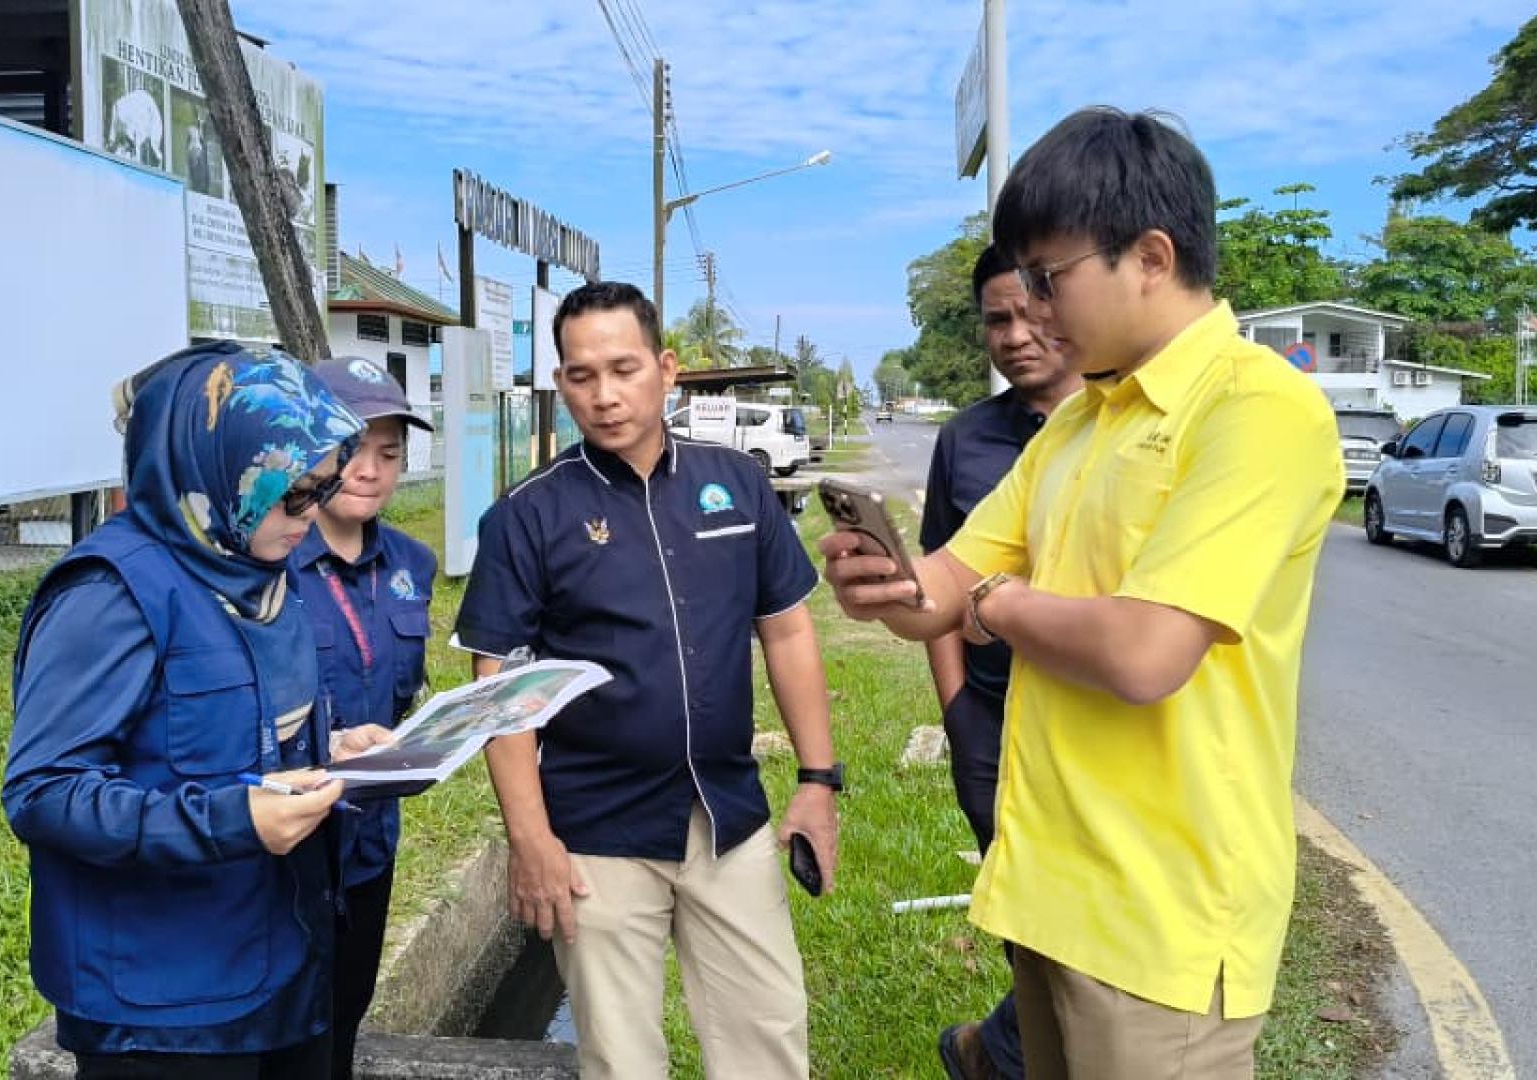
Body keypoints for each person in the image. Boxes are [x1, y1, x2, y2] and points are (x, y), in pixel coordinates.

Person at [821, 108, 1343, 1079]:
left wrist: (995, 607)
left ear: (1150, 256)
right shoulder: (1076, 426)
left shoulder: (1258, 409)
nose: (1036, 313)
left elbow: (1147, 653)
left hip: (1165, 918)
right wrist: (879, 584)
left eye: (1050, 280)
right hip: (1050, 888)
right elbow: (940, 586)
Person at [454, 281, 841, 1080]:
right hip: (596, 832)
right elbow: (501, 690)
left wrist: (817, 780)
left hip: (725, 816)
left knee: (767, 1036)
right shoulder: (528, 516)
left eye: (623, 369)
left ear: (667, 369)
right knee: (621, 1059)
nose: (604, 395)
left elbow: (789, 628)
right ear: (561, 385)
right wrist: (531, 841)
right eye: (582, 375)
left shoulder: (735, 483)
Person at [4, 342, 394, 1079]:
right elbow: (43, 793)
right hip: (165, 1012)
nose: (310, 517)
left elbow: (234, 731)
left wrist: (330, 750)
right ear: (221, 472)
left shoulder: (259, 573)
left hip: (278, 967)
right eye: (292, 493)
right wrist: (233, 818)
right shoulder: (110, 594)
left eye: (321, 489)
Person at [924, 244, 1083, 1080]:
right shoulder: (967, 442)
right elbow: (937, 587)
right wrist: (957, 712)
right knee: (1028, 922)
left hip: (1093, 728)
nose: (1018, 335)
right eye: (997, 319)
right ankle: (1004, 1054)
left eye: (1031, 312)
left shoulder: (1118, 430)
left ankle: (990, 1050)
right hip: (993, 724)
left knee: (1085, 935)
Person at [290, 357, 438, 1080]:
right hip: (283, 849)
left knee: (345, 1019)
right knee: (288, 1031)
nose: (370, 470)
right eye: (350, 449)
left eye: (389, 453)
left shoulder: (414, 562)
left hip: (369, 844)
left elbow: (402, 695)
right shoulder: (269, 560)